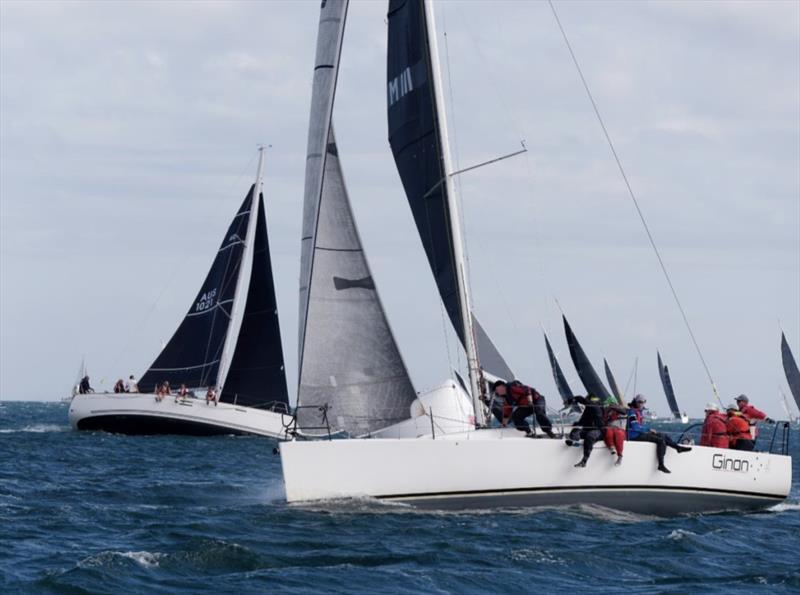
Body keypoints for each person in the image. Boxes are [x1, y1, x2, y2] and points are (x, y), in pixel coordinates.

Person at [627, 394, 691, 473]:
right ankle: (661, 465)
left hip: (639, 433)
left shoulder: (639, 412)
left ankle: (678, 448)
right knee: (660, 441)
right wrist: (648, 430)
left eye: (643, 402)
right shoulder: (632, 412)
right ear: (635, 402)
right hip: (634, 435)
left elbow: (640, 427)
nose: (642, 404)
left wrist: (648, 430)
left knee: (662, 435)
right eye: (639, 402)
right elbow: (635, 427)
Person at [491, 380, 555, 438]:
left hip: (536, 400)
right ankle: (529, 432)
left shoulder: (512, 387)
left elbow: (527, 389)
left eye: (496, 389)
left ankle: (549, 432)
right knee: (515, 417)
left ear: (501, 387)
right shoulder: (506, 398)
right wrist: (504, 424)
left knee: (539, 413)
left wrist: (530, 401)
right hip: (526, 406)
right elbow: (507, 412)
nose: (496, 392)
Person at [566, 394, 604, 467]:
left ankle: (584, 461)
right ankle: (574, 441)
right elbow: (584, 420)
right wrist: (577, 423)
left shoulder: (595, 405)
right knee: (576, 430)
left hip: (598, 430)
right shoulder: (589, 408)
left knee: (590, 436)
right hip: (588, 429)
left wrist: (572, 400)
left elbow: (580, 398)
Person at [602, 397, 628, 466]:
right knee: (608, 431)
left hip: (620, 430)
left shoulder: (621, 409)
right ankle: (611, 447)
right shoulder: (609, 412)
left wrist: (612, 407)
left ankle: (620, 456)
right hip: (611, 429)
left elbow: (624, 411)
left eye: (609, 405)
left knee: (618, 433)